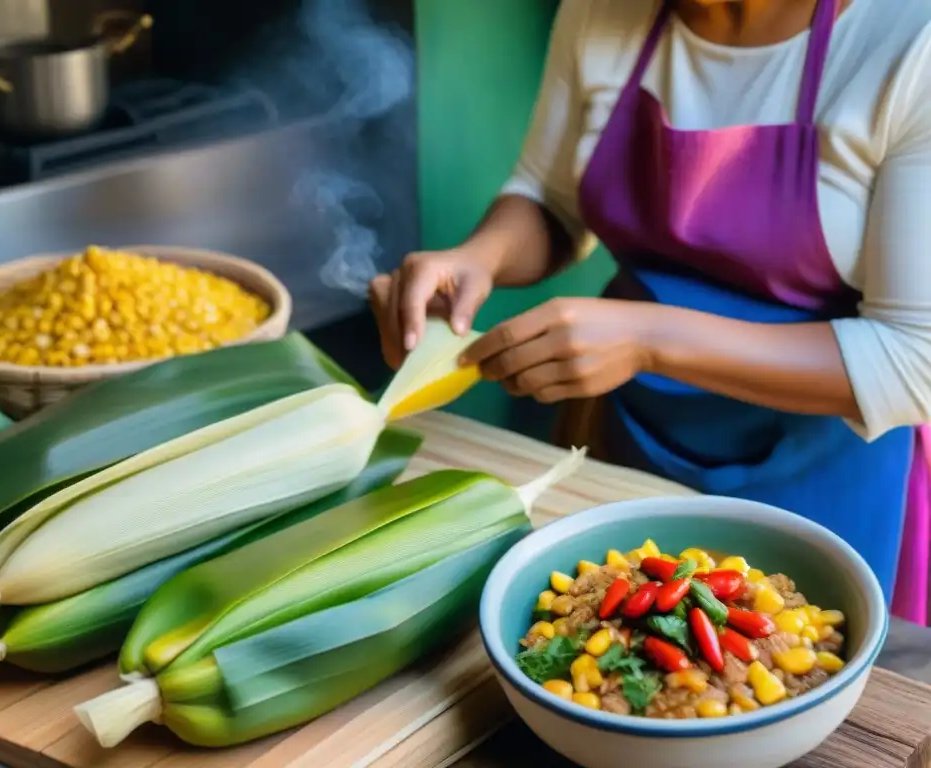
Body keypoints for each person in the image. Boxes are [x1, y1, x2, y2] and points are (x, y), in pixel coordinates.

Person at [368, 0, 931, 623]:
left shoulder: (909, 43)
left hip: (818, 477)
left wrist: (647, 340)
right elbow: (549, 197)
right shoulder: (601, 12)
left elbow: (915, 360)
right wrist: (480, 256)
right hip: (628, 443)